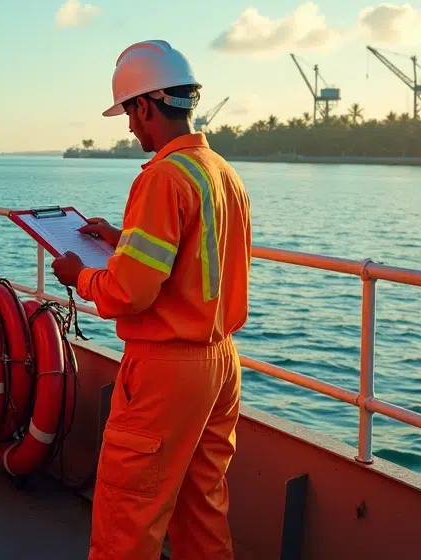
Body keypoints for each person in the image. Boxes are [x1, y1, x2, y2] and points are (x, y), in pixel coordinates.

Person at [51, 40, 252, 559]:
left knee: (128, 518)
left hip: (167, 371)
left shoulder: (162, 177)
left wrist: (79, 276)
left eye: (130, 115)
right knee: (202, 511)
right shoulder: (222, 174)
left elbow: (129, 292)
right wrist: (121, 239)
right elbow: (194, 258)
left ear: (146, 105)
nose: (131, 128)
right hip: (221, 364)